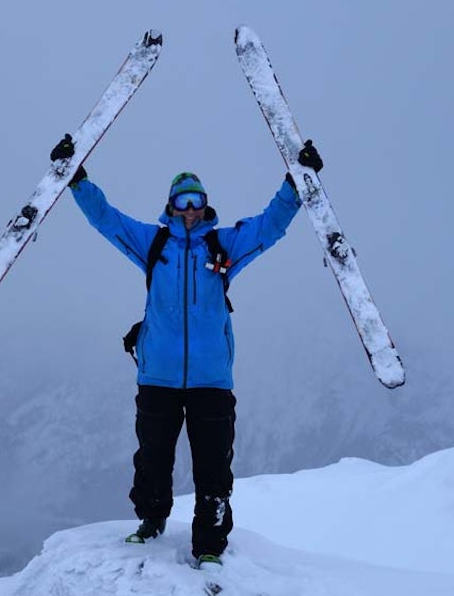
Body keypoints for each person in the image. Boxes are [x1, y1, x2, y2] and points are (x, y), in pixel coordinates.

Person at [49, 134, 324, 566]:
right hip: (157, 374)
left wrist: (296, 182)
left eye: (197, 200)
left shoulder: (223, 246)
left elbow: (270, 226)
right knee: (152, 458)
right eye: (183, 201)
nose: (191, 208)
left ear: (206, 205)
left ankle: (210, 545)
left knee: (214, 467)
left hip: (211, 379)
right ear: (171, 206)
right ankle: (151, 520)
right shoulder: (154, 245)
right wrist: (77, 180)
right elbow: (106, 220)